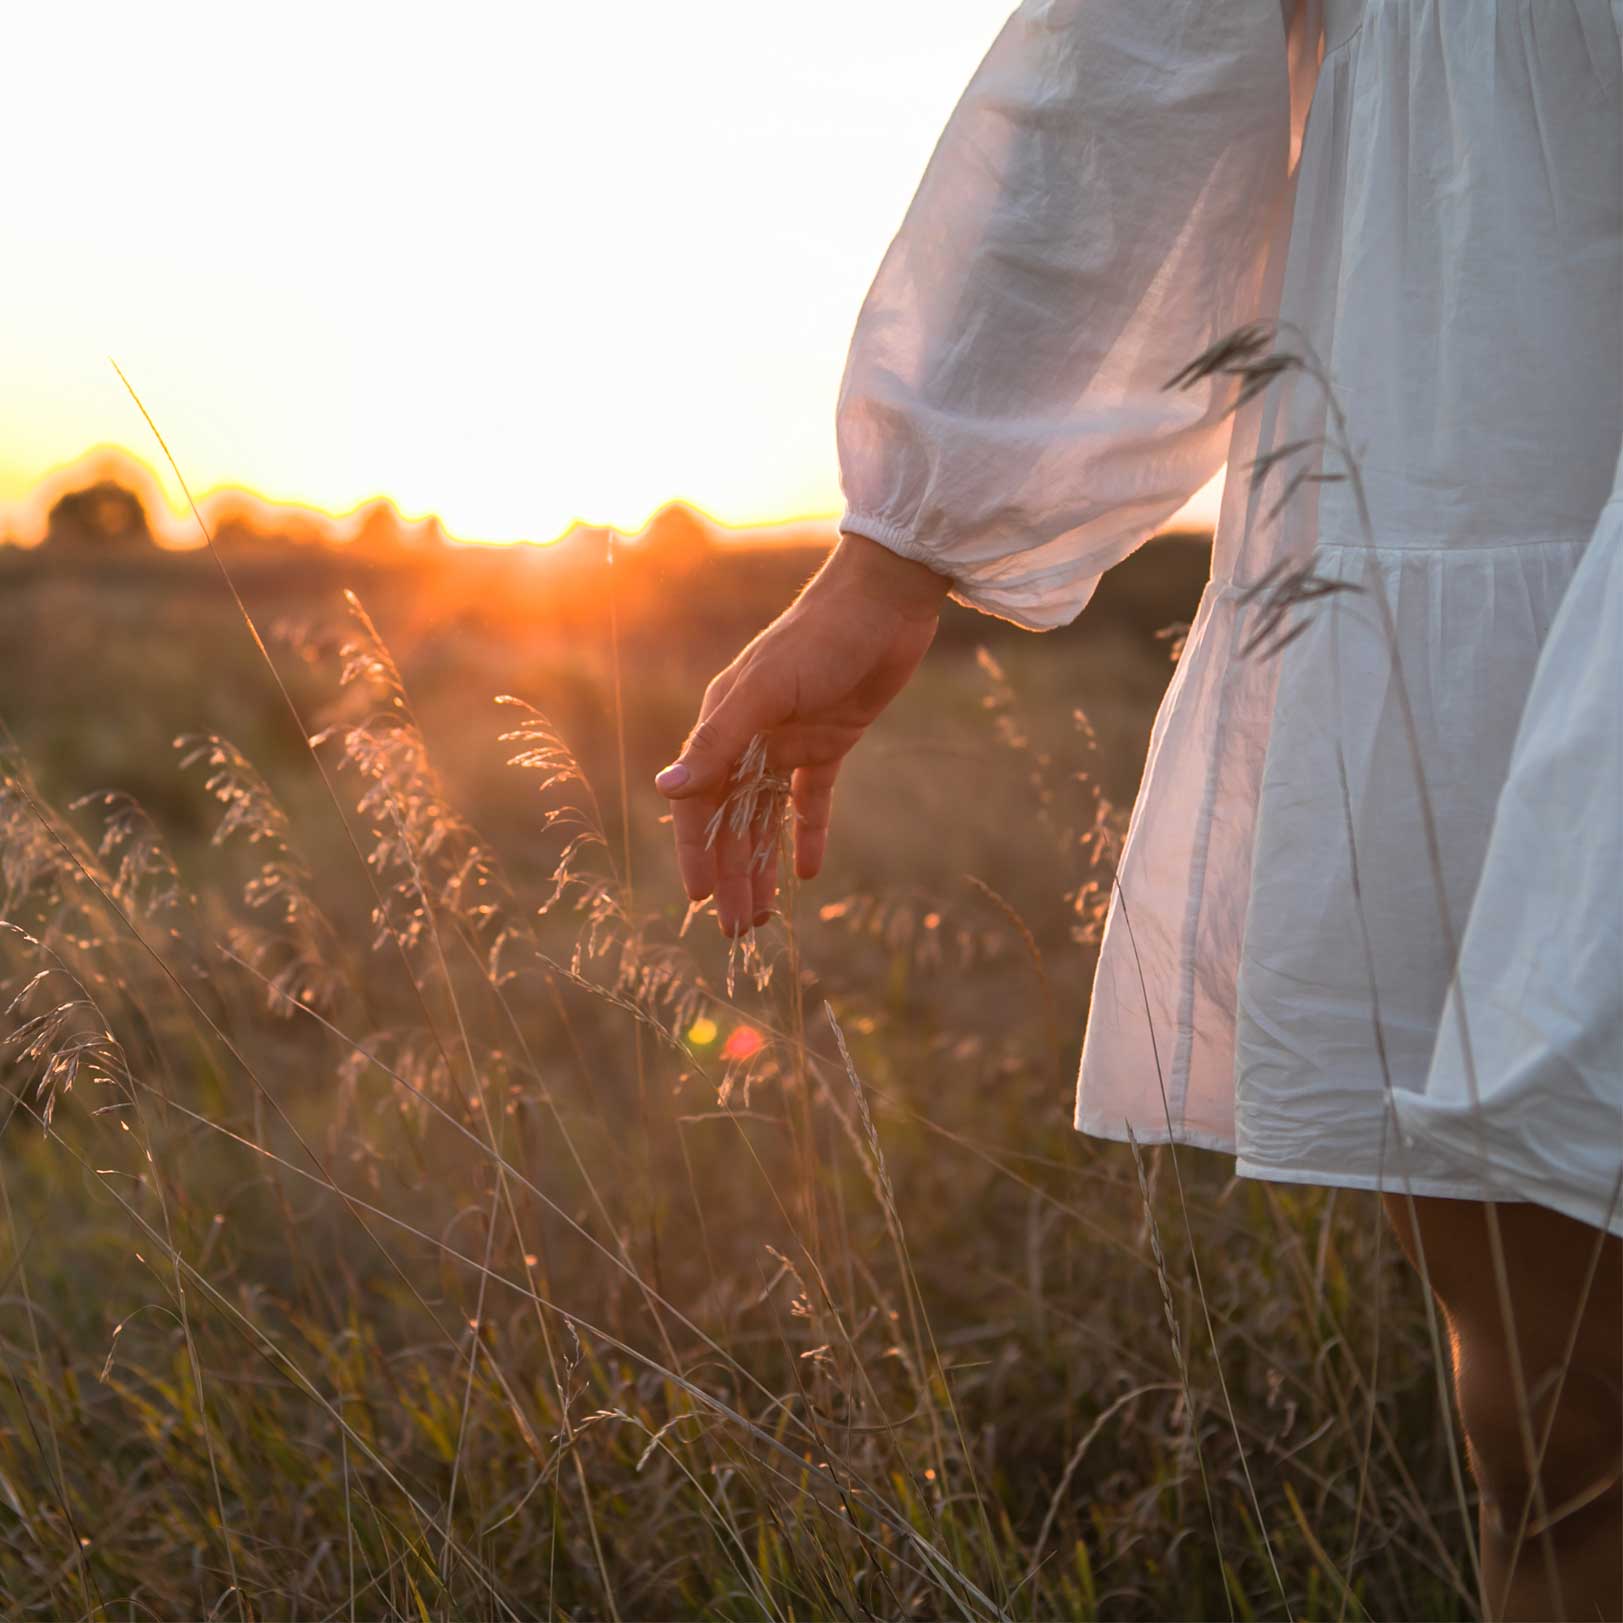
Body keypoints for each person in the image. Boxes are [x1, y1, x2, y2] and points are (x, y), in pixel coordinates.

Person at [655, 2, 1622, 1615]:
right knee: (1569, 1426)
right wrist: (902, 542)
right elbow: (1150, 43)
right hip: (1504, 420)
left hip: (1489, 447)